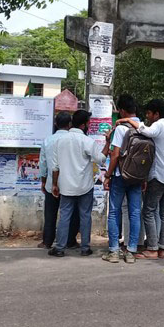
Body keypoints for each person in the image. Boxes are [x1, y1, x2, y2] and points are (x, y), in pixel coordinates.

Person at [117, 99, 164, 260]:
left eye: (149, 114)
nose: (148, 117)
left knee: (149, 211)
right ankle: (162, 248)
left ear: (156, 114)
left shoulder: (160, 125)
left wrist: (129, 120)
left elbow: (147, 131)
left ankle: (152, 248)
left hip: (158, 175)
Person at [48, 110, 110, 257]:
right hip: (84, 186)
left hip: (66, 186)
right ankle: (85, 248)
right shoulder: (87, 141)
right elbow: (101, 159)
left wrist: (55, 184)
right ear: (83, 125)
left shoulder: (60, 141)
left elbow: (55, 167)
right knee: (85, 216)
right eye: (88, 123)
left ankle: (60, 248)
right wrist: (107, 142)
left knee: (64, 216)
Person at [101, 95, 142, 264]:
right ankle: (131, 251)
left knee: (114, 212)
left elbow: (116, 155)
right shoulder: (143, 127)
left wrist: (108, 176)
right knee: (134, 213)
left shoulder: (121, 128)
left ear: (123, 111)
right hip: (137, 176)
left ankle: (114, 251)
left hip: (120, 176)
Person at [37, 112, 80, 249]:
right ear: (70, 124)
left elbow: (43, 163)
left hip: (51, 182)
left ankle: (47, 241)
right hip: (69, 183)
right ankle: (70, 240)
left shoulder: (47, 140)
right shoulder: (73, 139)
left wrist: (43, 181)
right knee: (70, 214)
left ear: (55, 124)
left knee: (50, 213)